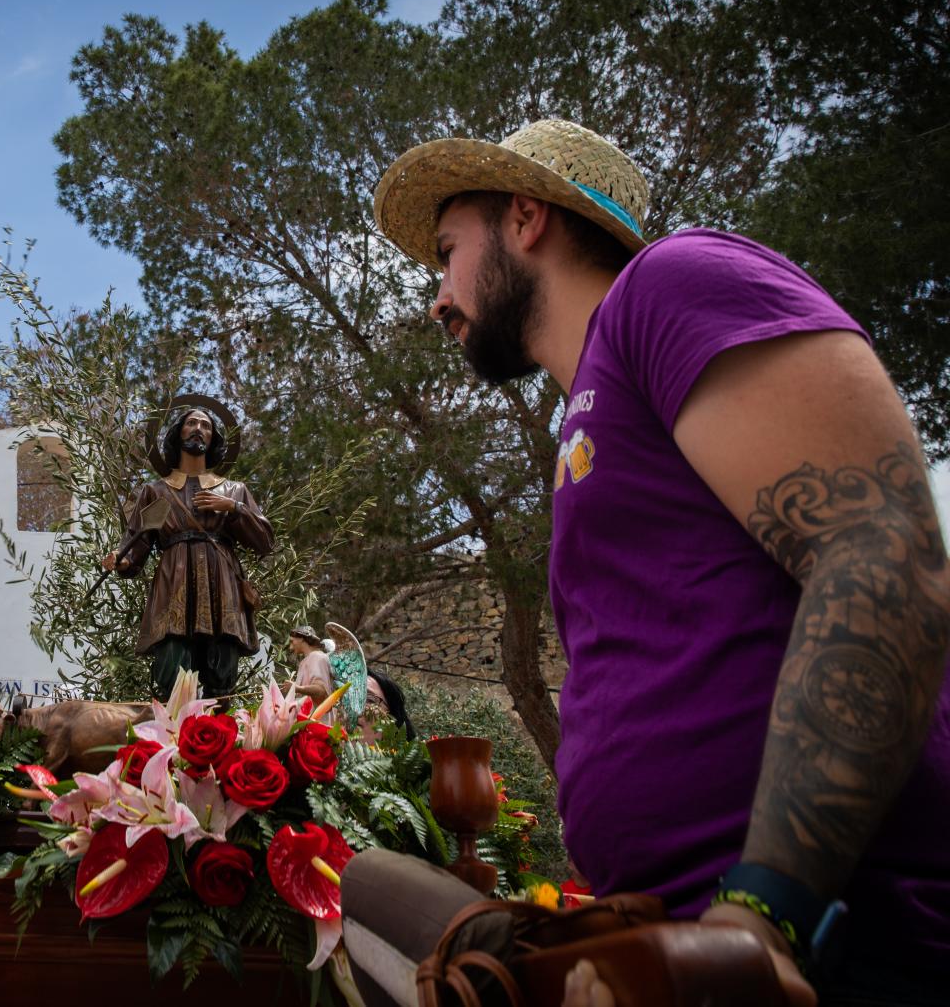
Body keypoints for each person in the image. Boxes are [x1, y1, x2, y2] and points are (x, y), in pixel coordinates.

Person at [348, 118, 949, 1005]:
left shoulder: (671, 282)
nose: (438, 297)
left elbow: (880, 548)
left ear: (525, 217)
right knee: (363, 896)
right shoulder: (592, 411)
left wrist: (766, 909)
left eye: (446, 252)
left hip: (820, 946)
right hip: (670, 933)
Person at [102, 398, 275, 701]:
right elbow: (137, 540)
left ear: (213, 439)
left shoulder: (233, 490)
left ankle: (221, 737)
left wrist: (232, 508)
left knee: (222, 672)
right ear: (177, 434)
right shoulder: (155, 491)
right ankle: (174, 737)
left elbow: (264, 541)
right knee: (172, 667)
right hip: (174, 584)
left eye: (206, 426)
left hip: (222, 586)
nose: (198, 429)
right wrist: (122, 560)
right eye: (191, 424)